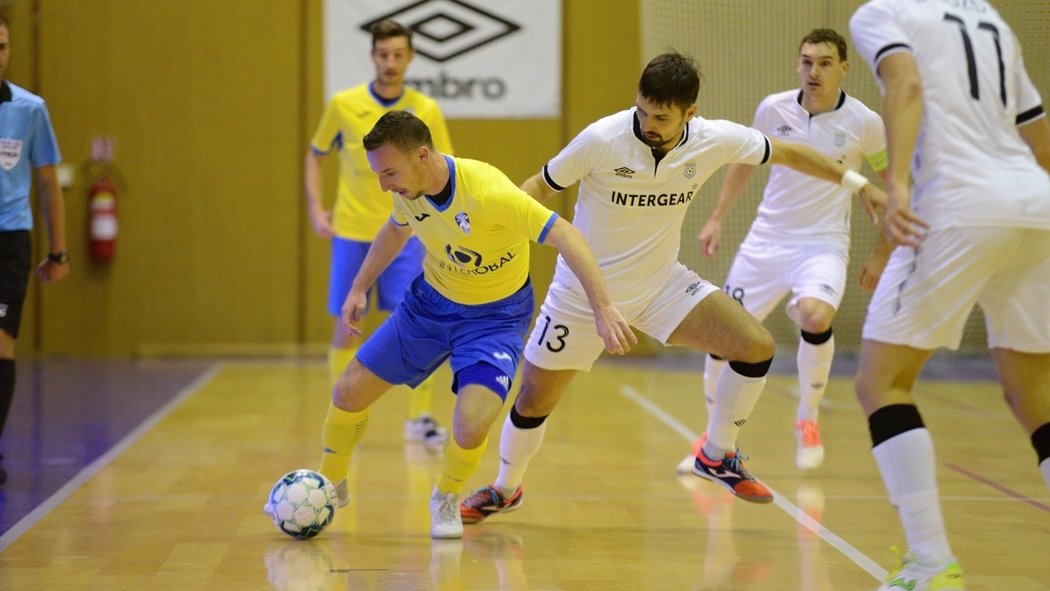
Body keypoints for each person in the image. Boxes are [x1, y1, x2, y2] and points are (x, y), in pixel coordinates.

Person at [459, 51, 885, 523]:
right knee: (533, 399)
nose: (648, 123)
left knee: (755, 346)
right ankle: (505, 488)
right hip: (583, 296)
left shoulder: (714, 139)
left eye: (661, 117)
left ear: (690, 114)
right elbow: (538, 187)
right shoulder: (603, 138)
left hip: (661, 285)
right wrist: (492, 232)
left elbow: (789, 152)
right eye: (642, 110)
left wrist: (857, 182)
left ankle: (718, 453)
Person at [314, 110, 634, 539]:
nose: (383, 184)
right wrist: (358, 288)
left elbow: (567, 236)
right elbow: (395, 230)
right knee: (347, 391)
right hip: (429, 306)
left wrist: (603, 307)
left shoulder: (489, 192)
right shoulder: (406, 189)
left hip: (495, 319)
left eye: (388, 172)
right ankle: (329, 483)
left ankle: (446, 494)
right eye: (378, 173)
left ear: (422, 156)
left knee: (471, 423)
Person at [850, 1, 1050, 589]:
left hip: (958, 205)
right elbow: (1037, 133)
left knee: (880, 382)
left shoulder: (882, 13)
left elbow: (905, 84)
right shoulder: (991, 18)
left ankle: (931, 562)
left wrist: (901, 187)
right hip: (1035, 207)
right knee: (1035, 396)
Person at [684, 29, 891, 472]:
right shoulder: (772, 108)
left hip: (823, 244)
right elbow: (744, 162)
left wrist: (881, 255)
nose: (813, 71)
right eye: (806, 61)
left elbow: (891, 190)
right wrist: (717, 217)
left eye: (824, 63)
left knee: (815, 316)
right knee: (722, 339)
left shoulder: (865, 123)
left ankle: (807, 418)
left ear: (844, 68)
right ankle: (711, 437)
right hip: (765, 243)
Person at [305, 19, 452, 447]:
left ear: (411, 57)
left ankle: (419, 417)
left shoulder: (426, 110)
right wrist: (317, 208)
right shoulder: (343, 105)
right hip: (352, 230)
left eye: (398, 55)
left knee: (416, 322)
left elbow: (443, 167)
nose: (390, 62)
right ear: (373, 56)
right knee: (347, 320)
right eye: (383, 54)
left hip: (407, 234)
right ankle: (341, 408)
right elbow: (314, 156)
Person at [0, 16, 70, 486]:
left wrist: (58, 251)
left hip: (10, 240)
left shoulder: (29, 109)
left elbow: (48, 184)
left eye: (2, 45)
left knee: (1, 345)